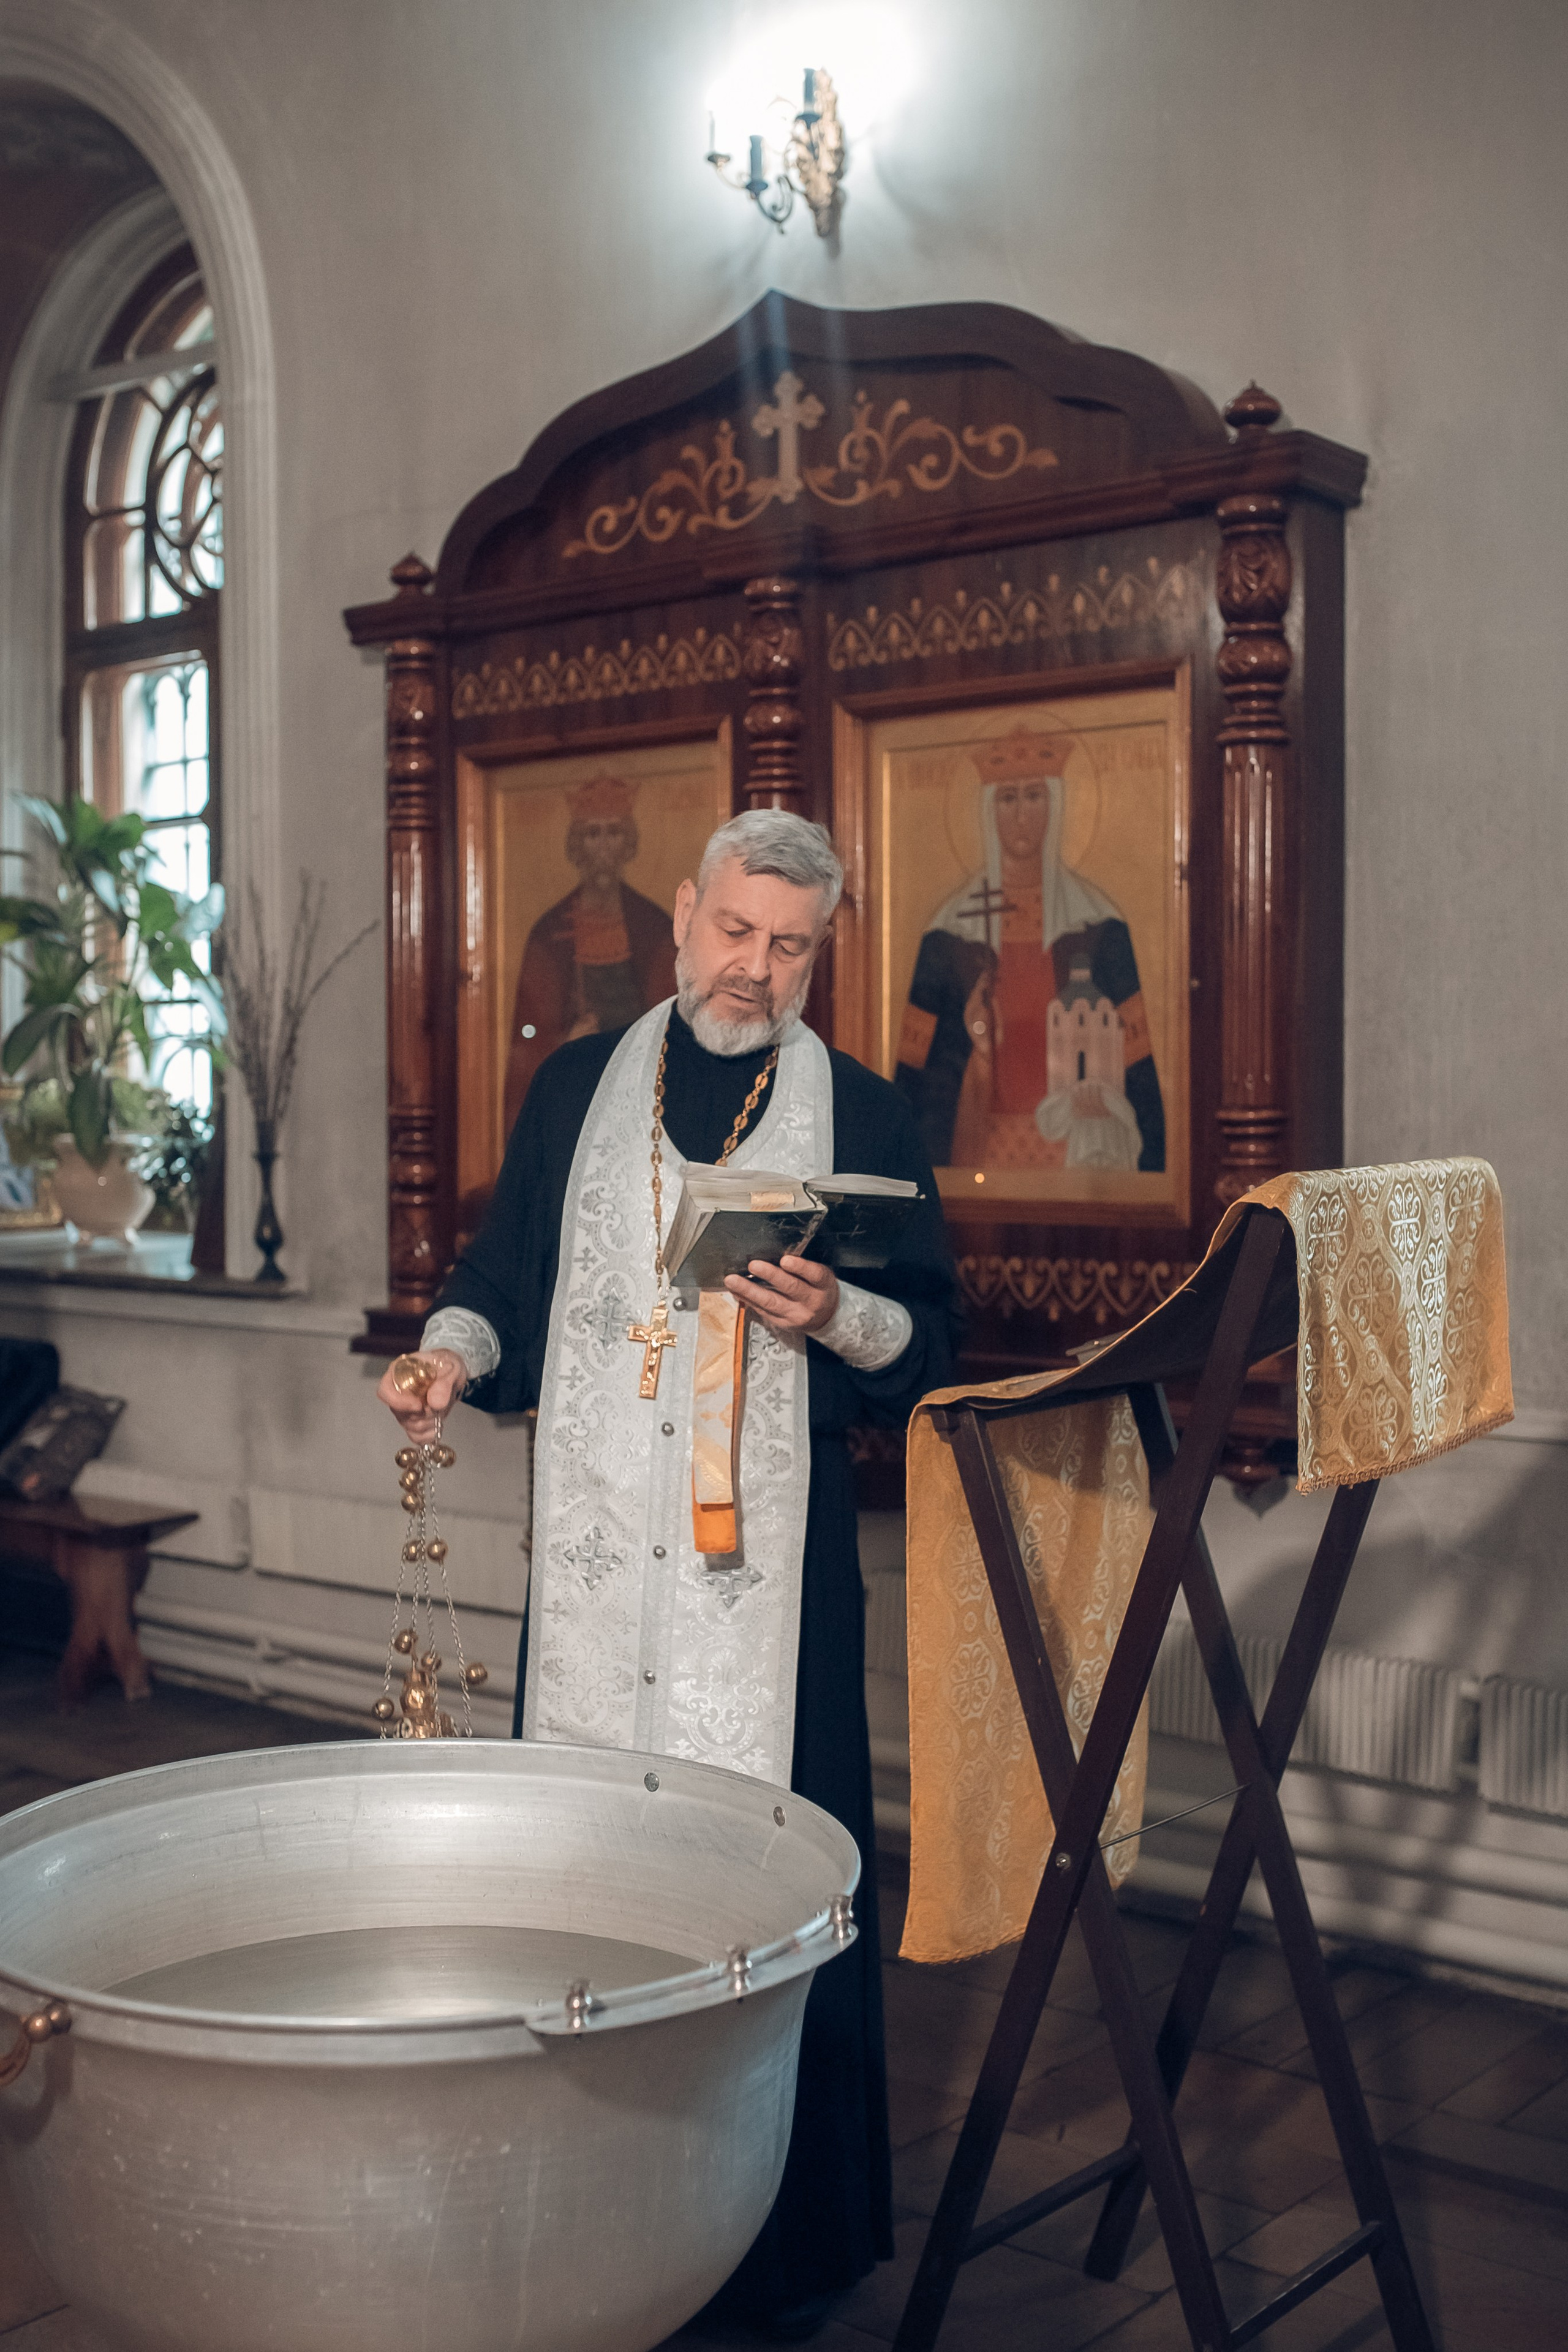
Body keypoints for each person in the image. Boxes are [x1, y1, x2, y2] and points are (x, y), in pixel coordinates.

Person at [380, 809, 960, 2342]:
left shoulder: (869, 1119)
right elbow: (503, 1277)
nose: (751, 969)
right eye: (732, 930)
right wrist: (446, 1356)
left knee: (773, 1878)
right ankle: (567, 2180)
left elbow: (933, 1346)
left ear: (817, 949)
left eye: (788, 946)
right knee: (568, 1859)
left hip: (762, 1589)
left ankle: (774, 2241)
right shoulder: (578, 1083)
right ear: (685, 912)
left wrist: (836, 1311)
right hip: (585, 1574)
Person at [893, 723, 1164, 1174]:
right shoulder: (949, 931)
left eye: (1034, 795)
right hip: (975, 1148)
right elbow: (913, 1075)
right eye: (1008, 798)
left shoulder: (1098, 926)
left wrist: (1152, 1174)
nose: (1021, 814)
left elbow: (1138, 1068)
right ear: (988, 810)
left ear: (1055, 804)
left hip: (1081, 1157)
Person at [502, 771, 677, 1131]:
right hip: (573, 1095)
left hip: (641, 1097)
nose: (603, 847)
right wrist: (566, 1043)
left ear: (628, 843)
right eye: (592, 833)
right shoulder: (549, 935)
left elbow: (675, 1021)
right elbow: (529, 1036)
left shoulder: (655, 927)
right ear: (576, 845)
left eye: (613, 832)